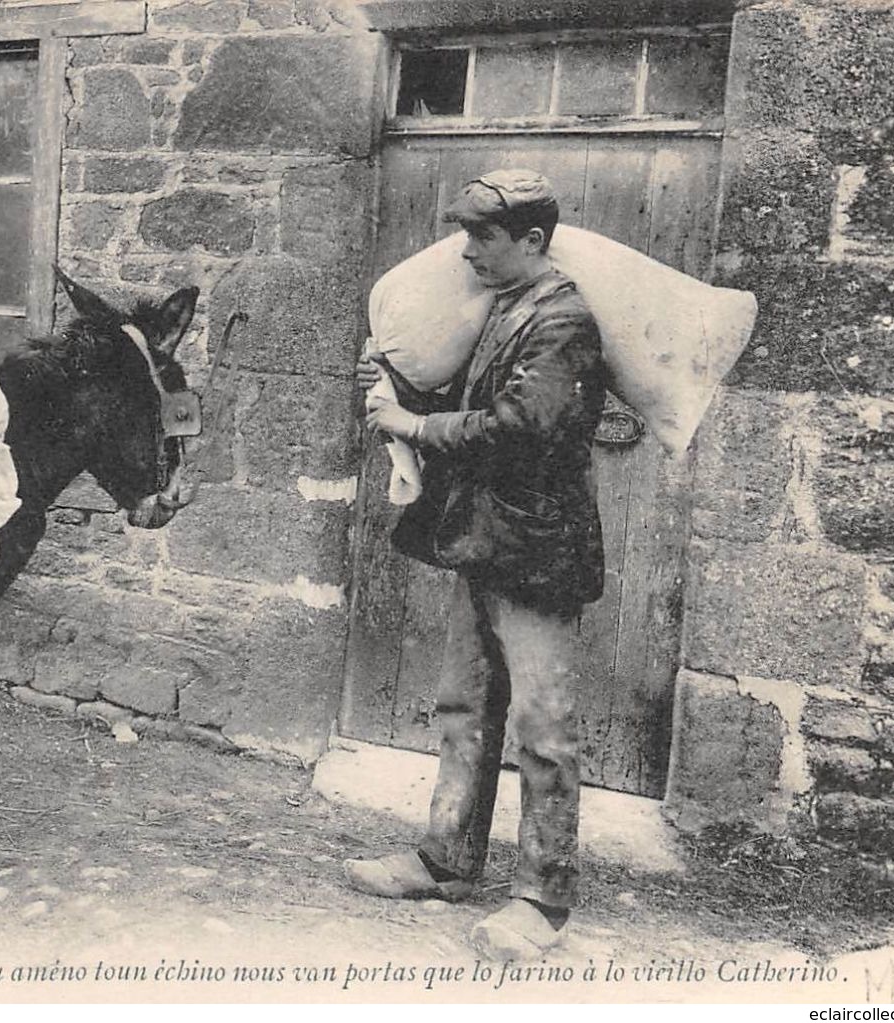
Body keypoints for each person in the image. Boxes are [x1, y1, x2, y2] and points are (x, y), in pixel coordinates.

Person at [349, 168, 608, 960]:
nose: (465, 253)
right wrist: (394, 388)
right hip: (485, 537)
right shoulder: (502, 309)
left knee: (542, 727)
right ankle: (447, 859)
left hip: (537, 548)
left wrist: (413, 427)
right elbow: (468, 400)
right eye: (463, 236)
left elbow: (519, 428)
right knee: (463, 706)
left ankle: (542, 895)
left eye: (481, 238)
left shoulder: (563, 318)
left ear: (530, 241)